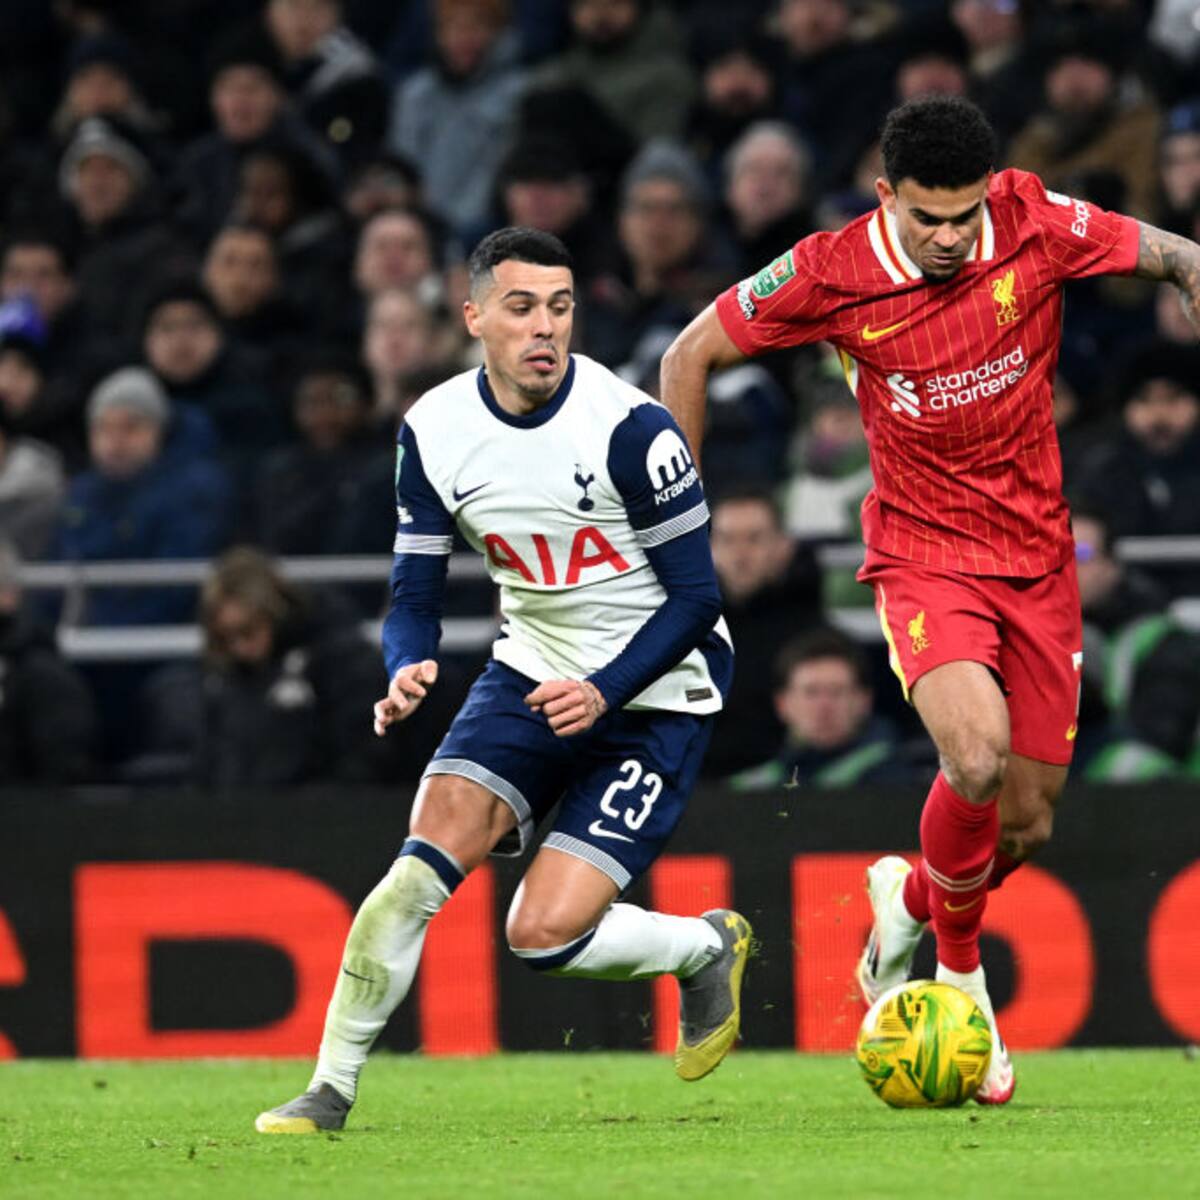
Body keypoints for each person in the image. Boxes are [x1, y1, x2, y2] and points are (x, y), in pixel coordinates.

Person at [659, 95, 1200, 1105]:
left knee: (1025, 825)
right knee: (976, 758)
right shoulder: (830, 269)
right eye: (926, 220)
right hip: (923, 556)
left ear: (989, 193)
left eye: (963, 218)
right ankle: (961, 979)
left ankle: (904, 898)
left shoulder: (1034, 219)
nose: (950, 239)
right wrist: (681, 537)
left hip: (1039, 561)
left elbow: (1175, 254)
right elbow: (688, 355)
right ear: (885, 198)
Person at [256, 227, 748, 1135]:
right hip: (531, 670)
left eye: (560, 307)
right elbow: (413, 591)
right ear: (473, 312)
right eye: (521, 308)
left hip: (658, 689)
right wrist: (406, 662)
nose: (544, 329)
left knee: (541, 936)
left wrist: (604, 689)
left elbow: (694, 600)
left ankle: (703, 946)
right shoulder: (434, 430)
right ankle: (329, 1089)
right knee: (414, 872)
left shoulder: (632, 430)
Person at [731, 629, 903, 790]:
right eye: (811, 692)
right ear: (782, 704)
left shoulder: (895, 780)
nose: (824, 706)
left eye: (837, 691)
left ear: (864, 702)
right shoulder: (749, 787)